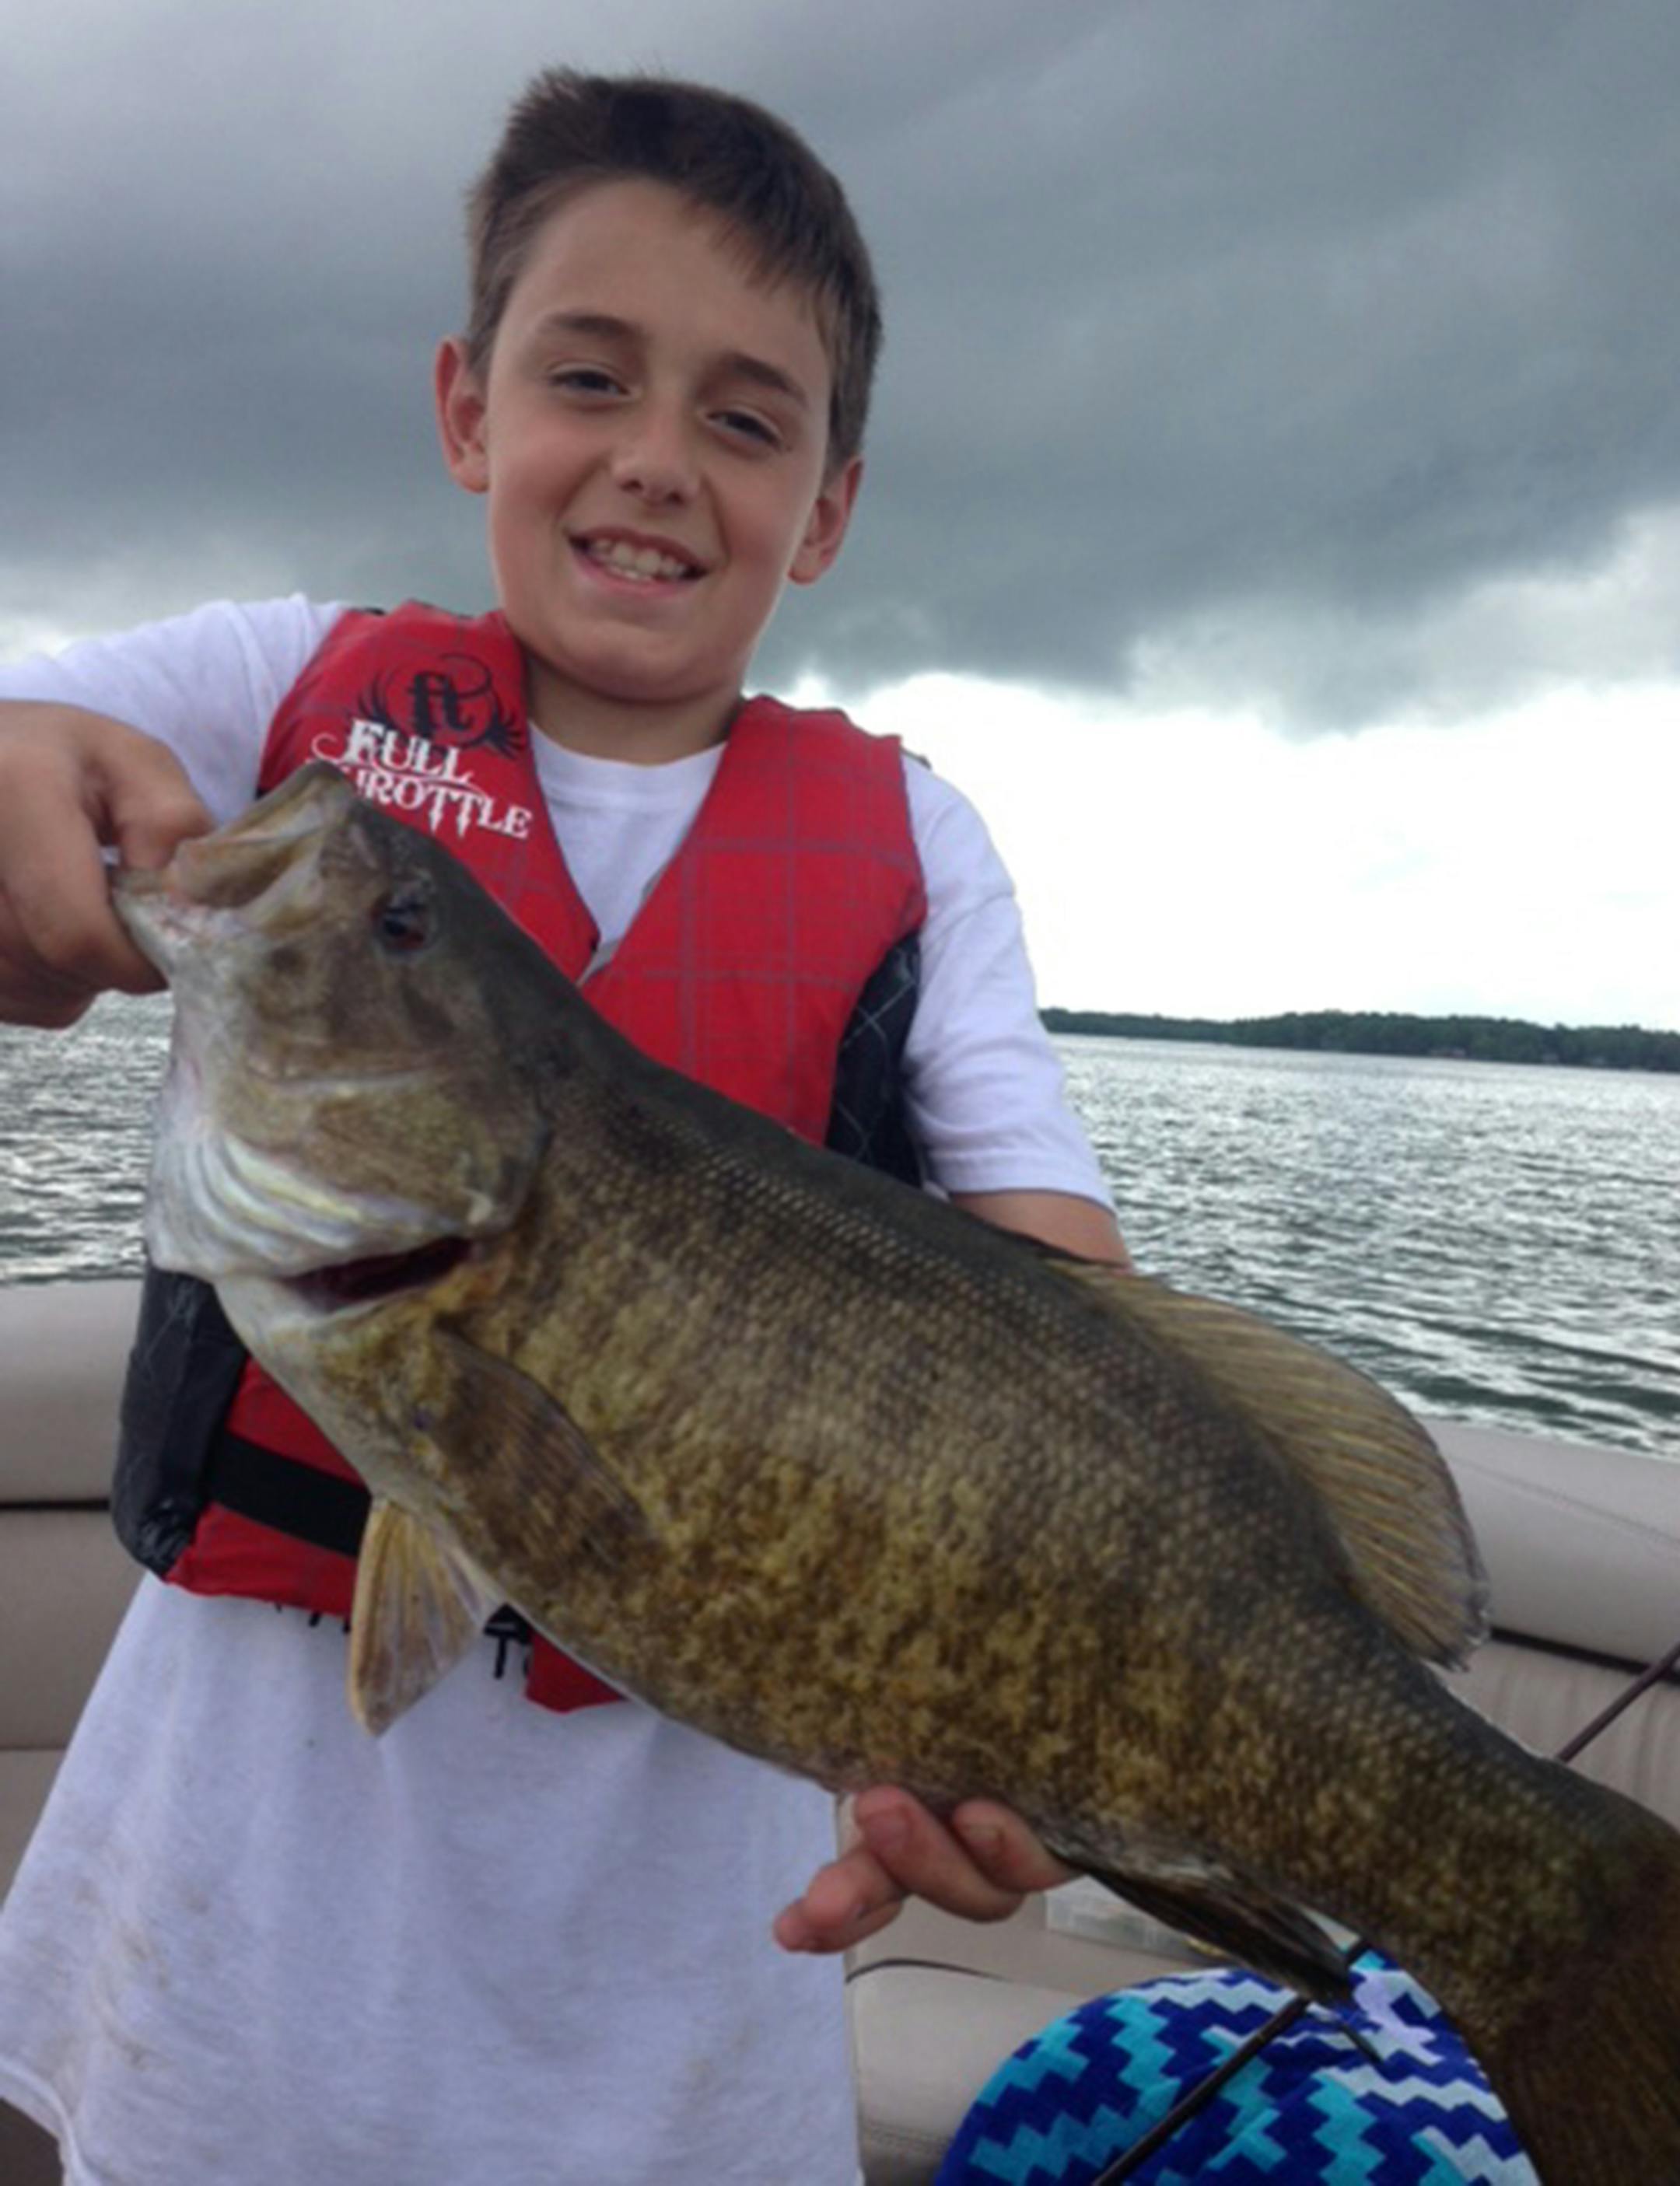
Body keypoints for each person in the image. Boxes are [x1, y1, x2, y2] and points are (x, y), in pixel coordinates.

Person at [0, 69, 1122, 2185]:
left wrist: (1052, 1663)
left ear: (832, 507)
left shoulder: (915, 844)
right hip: (240, 1899)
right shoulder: (284, 703)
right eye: (588, 376)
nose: (653, 463)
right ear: (464, 408)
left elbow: (1058, 1279)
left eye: (744, 415)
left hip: (676, 1942)